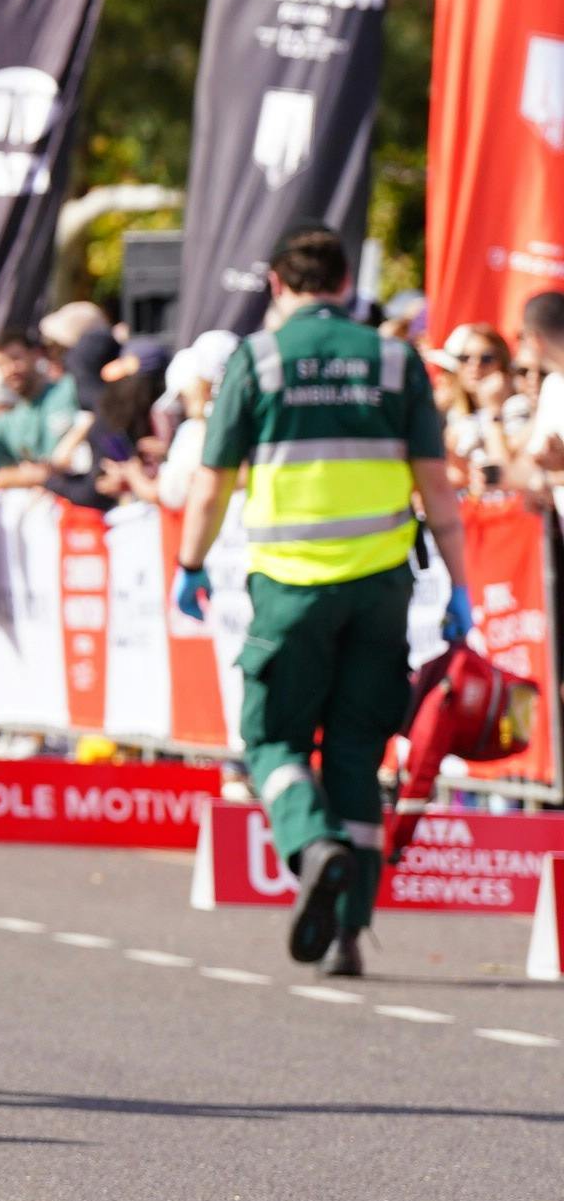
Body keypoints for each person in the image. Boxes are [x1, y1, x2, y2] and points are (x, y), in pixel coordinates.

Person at [172, 226, 466, 977]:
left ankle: (311, 845)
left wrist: (191, 562)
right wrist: (460, 585)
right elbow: (437, 484)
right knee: (358, 752)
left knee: (271, 740)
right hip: (380, 589)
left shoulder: (258, 360)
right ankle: (347, 933)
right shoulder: (398, 361)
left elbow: (213, 480)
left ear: (277, 284)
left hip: (291, 589)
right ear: (346, 283)